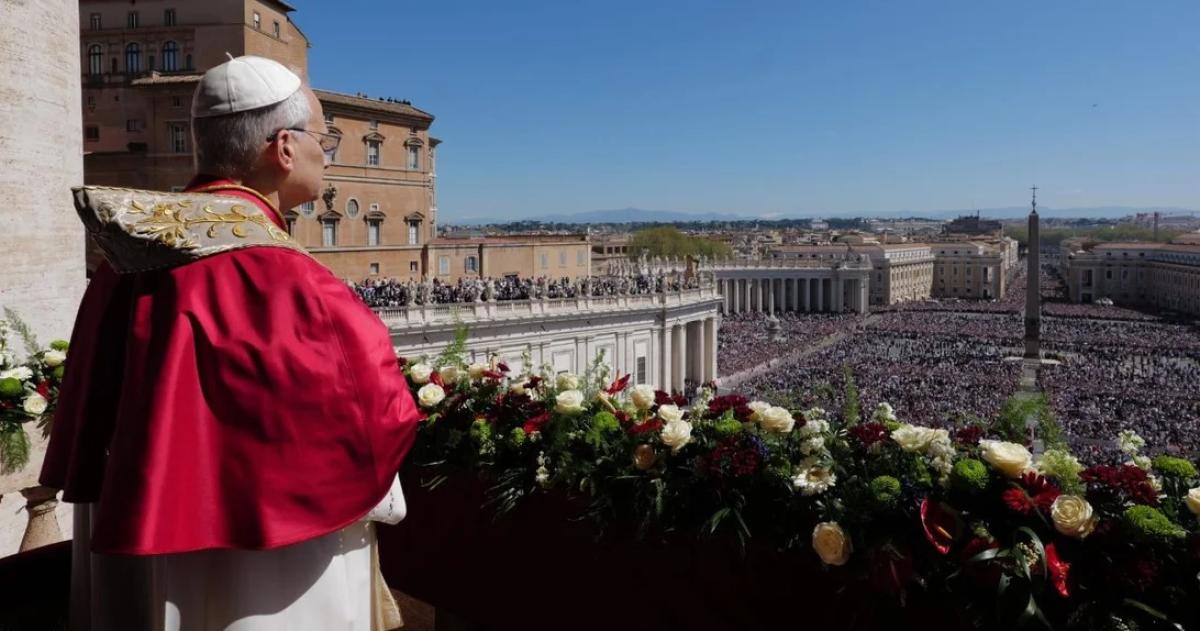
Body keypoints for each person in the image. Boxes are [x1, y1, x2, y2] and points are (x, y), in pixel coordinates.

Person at [40, 56, 420, 630]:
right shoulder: (286, 275)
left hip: (142, 529)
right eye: (325, 137)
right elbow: (377, 410)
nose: (328, 152)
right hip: (269, 563)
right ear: (284, 147)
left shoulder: (127, 256)